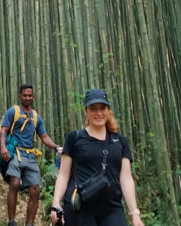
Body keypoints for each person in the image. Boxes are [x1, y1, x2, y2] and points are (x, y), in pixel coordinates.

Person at [50, 88, 144, 226]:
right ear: (85, 111)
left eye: (102, 108)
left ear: (108, 110)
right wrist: (56, 203)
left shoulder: (120, 141)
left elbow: (125, 178)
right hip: (81, 208)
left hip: (112, 207)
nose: (99, 113)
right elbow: (63, 175)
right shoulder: (74, 138)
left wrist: (134, 213)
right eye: (93, 108)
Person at [0, 84, 64, 226]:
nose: (27, 98)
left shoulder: (36, 117)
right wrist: (3, 147)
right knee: (15, 184)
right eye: (25, 95)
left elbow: (44, 137)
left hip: (29, 155)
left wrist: (56, 147)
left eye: (30, 95)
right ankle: (12, 221)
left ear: (33, 97)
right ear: (20, 96)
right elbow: (3, 131)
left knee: (35, 190)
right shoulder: (13, 111)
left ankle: (29, 224)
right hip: (16, 152)